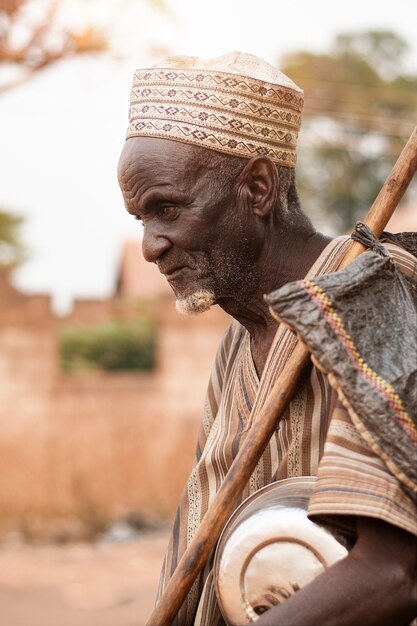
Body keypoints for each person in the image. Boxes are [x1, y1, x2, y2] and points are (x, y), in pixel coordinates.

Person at [117, 52, 417, 626]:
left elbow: (394, 574)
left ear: (255, 188)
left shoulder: (367, 303)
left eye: (168, 210)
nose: (151, 246)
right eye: (141, 219)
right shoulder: (237, 341)